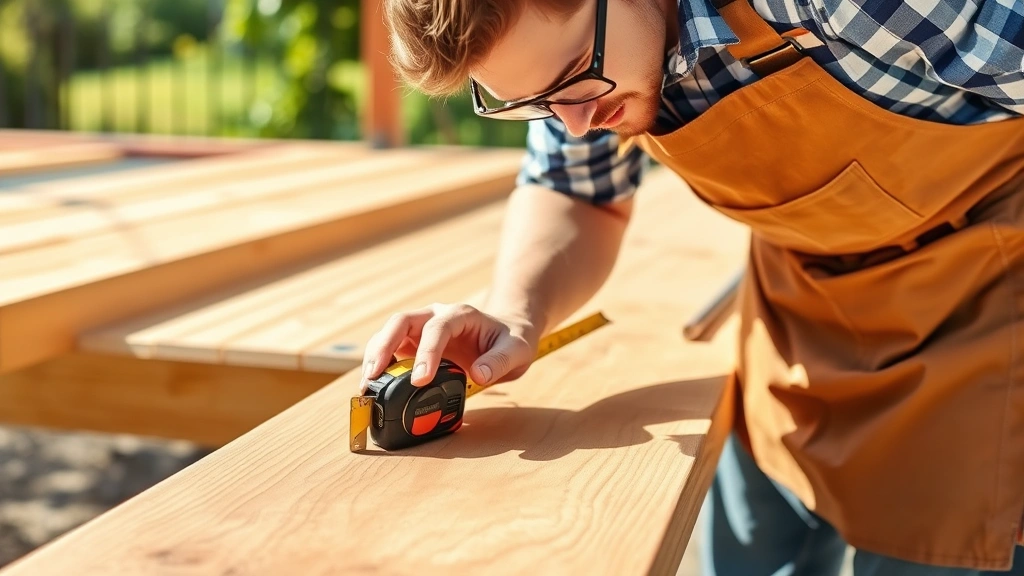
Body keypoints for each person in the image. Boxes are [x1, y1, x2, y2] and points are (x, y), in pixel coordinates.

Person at [358, 0, 1024, 573]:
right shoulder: (583, 54)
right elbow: (573, 186)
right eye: (532, 104)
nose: (574, 123)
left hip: (984, 315)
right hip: (798, 315)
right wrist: (516, 313)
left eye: (571, 83)